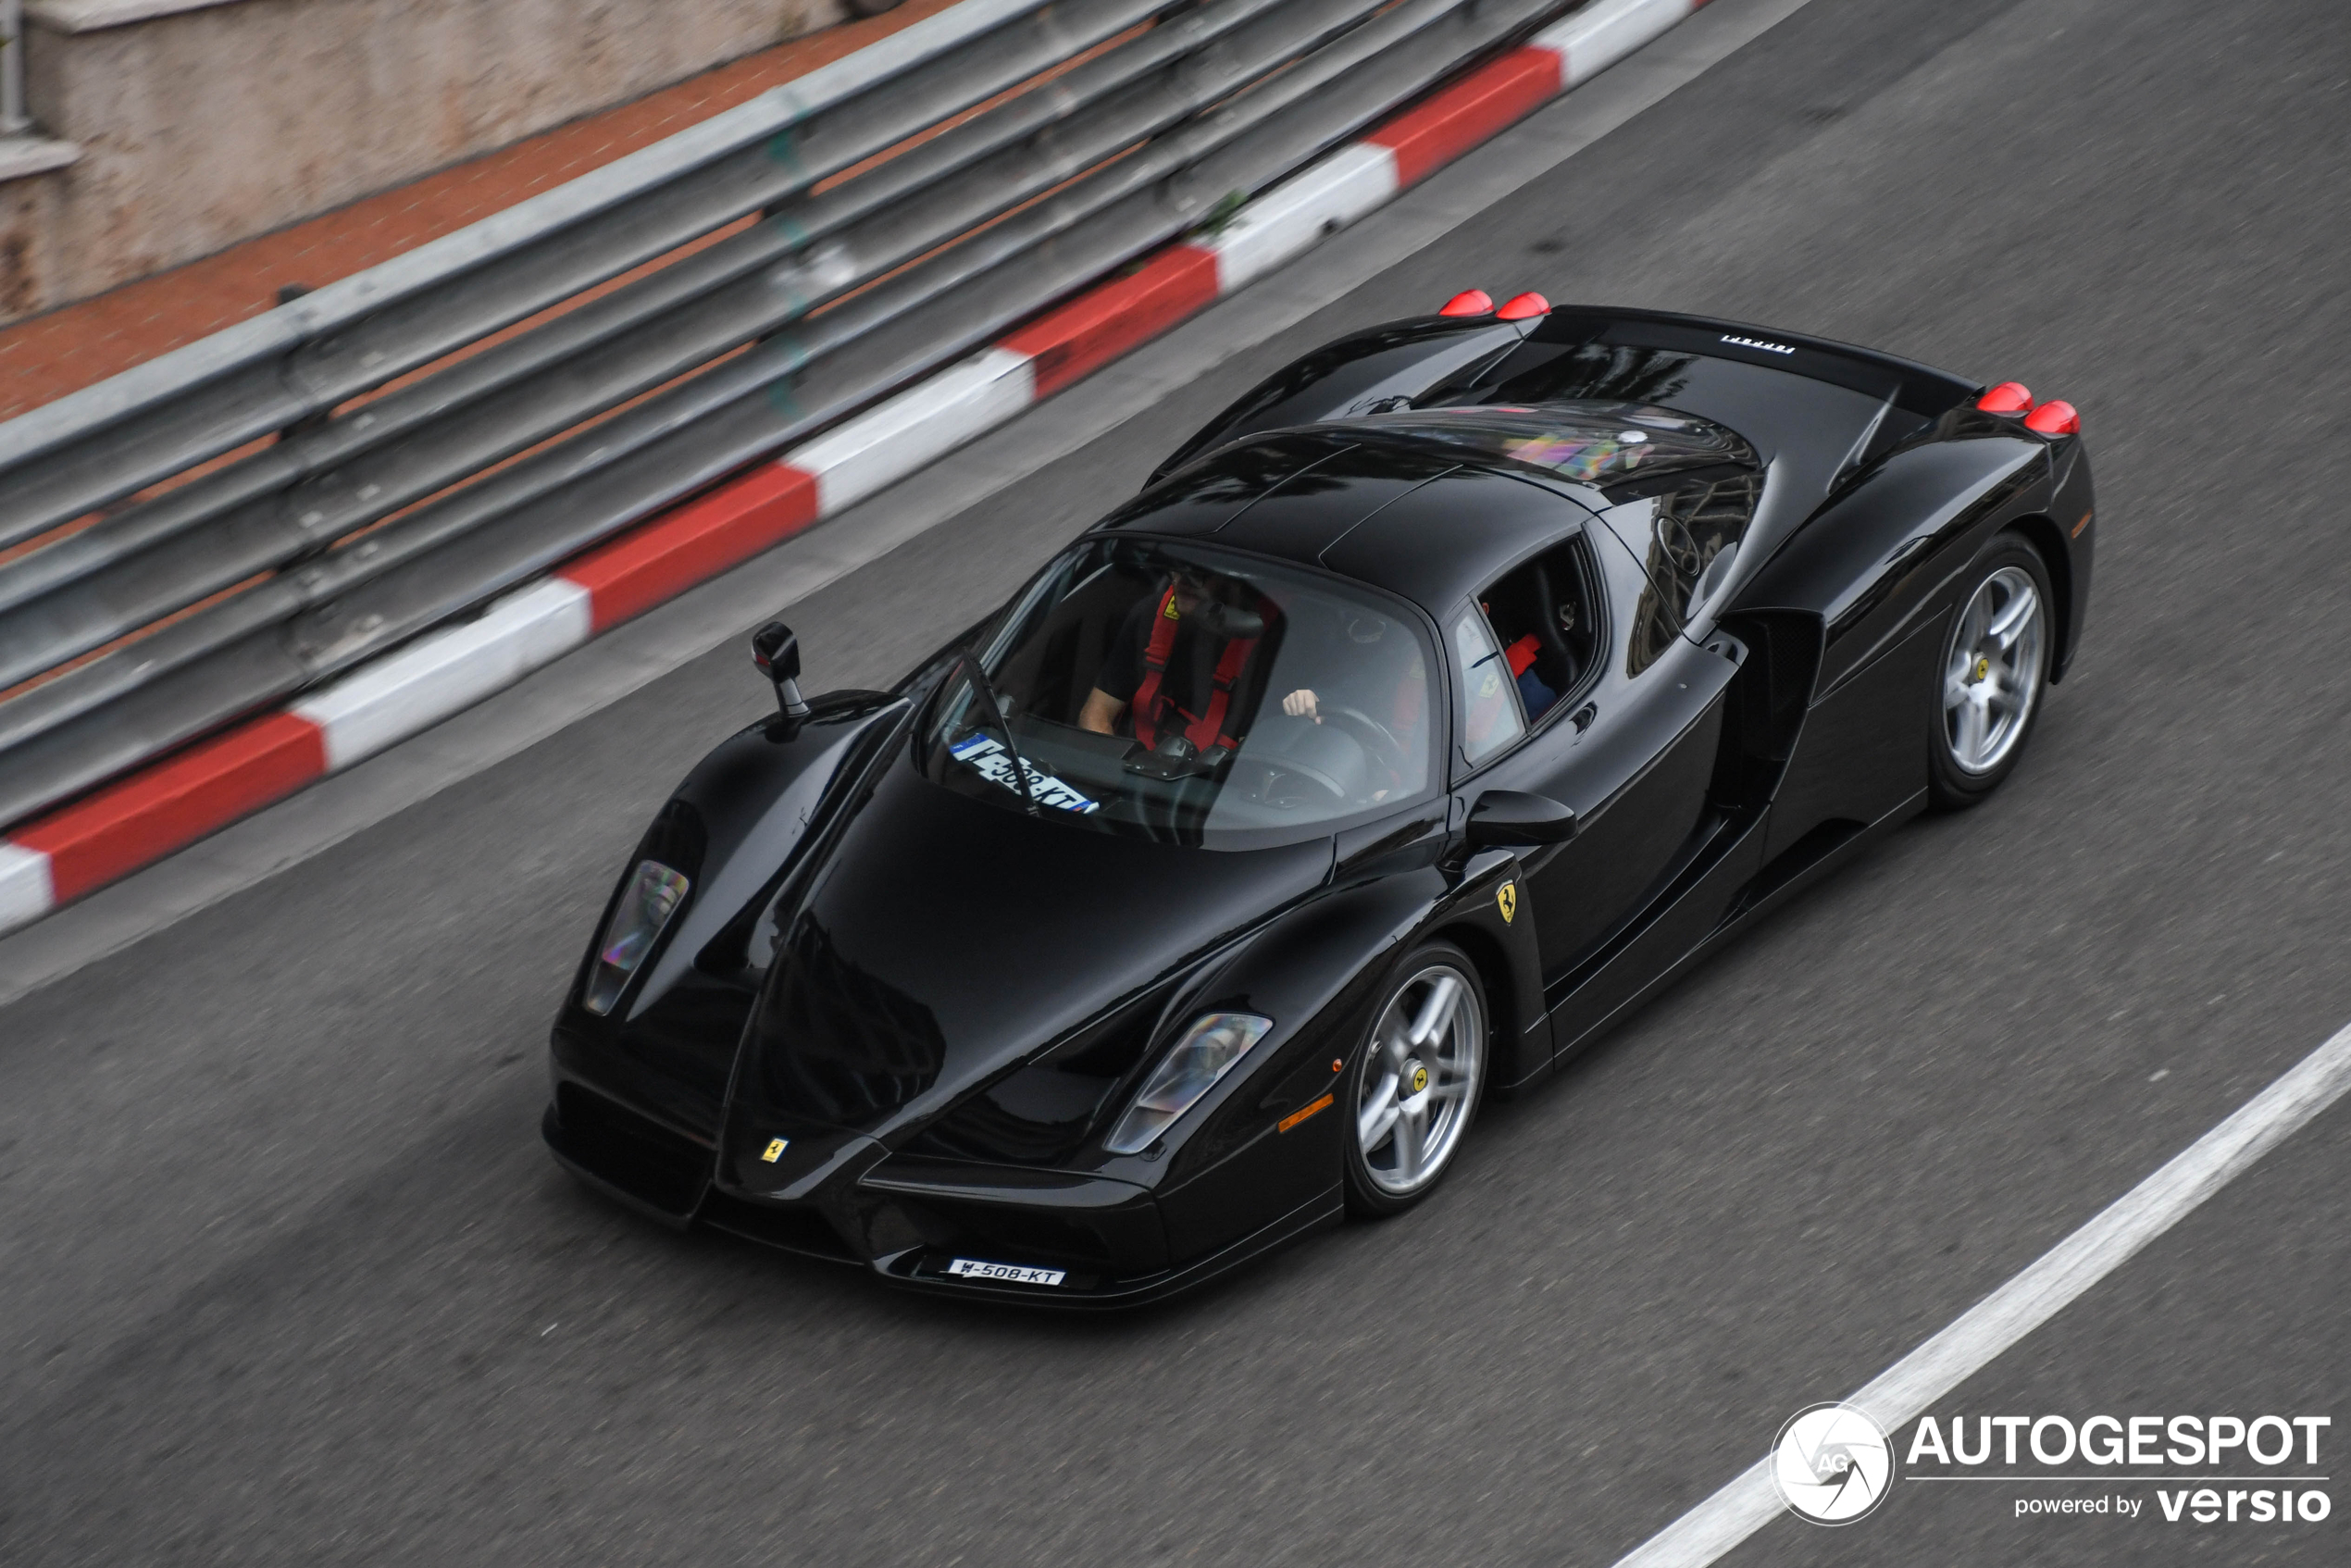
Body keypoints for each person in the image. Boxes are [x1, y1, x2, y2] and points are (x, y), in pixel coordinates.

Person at [1079, 566, 1265, 755]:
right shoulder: (1150, 615)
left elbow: (1254, 763)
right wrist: (1112, 773)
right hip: (1129, 770)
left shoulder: (1269, 650)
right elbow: (1096, 712)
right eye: (1177, 569)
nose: (1182, 581)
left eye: (1197, 574)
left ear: (1232, 580)